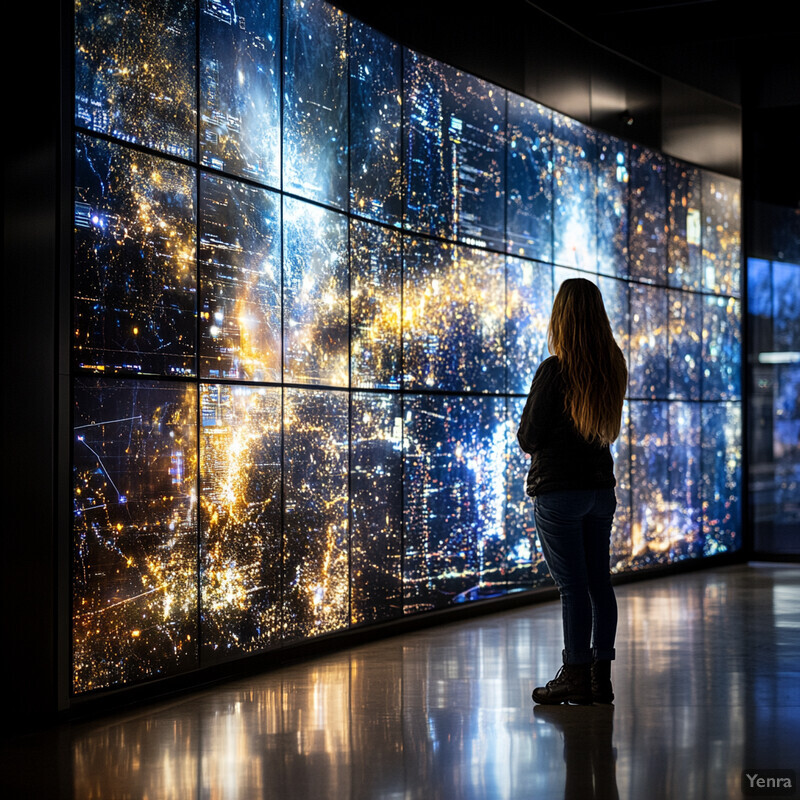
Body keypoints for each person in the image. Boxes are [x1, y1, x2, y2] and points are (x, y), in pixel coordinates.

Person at [518, 278, 627, 705]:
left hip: (559, 492)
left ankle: (576, 675)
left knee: (572, 587)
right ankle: (601, 677)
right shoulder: (612, 365)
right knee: (600, 584)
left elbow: (530, 438)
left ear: (561, 317)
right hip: (600, 490)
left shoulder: (555, 369)